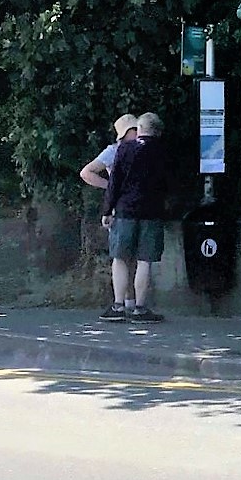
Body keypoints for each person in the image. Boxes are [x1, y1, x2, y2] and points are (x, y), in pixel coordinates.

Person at [99, 112, 168, 323]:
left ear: (139, 128)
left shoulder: (124, 149)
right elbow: (167, 183)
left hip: (125, 211)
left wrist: (107, 210)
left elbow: (114, 184)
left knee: (120, 258)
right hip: (151, 212)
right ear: (157, 131)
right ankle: (140, 308)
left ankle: (118, 306)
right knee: (144, 260)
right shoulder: (162, 151)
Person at [80, 113, 138, 190]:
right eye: (135, 129)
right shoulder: (113, 151)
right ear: (125, 133)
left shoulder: (142, 147)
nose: (138, 132)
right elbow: (86, 173)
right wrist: (112, 187)